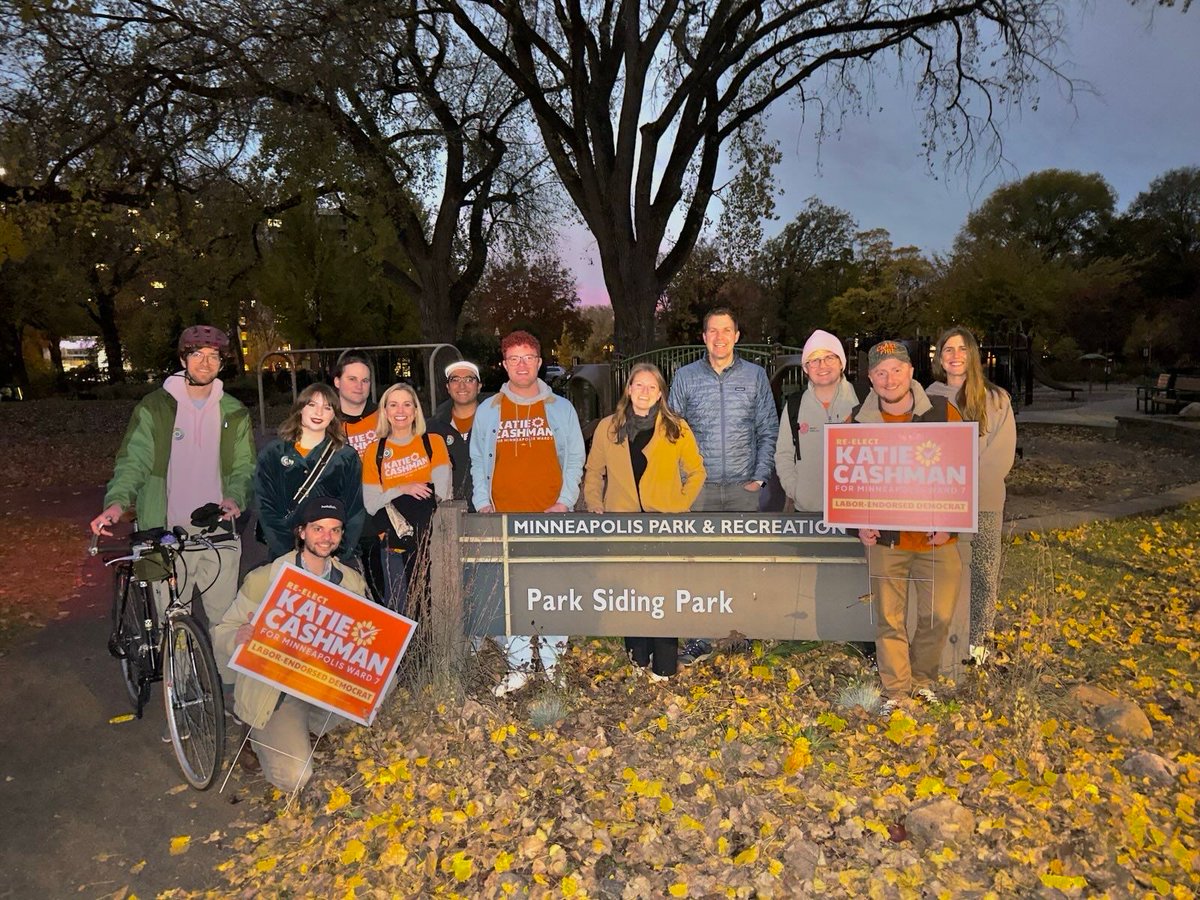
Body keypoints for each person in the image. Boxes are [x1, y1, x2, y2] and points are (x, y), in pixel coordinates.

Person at [90, 325, 254, 668]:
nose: (205, 363)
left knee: (224, 620)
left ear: (222, 363)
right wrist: (116, 504)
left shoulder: (234, 411)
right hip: (164, 531)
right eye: (197, 354)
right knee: (171, 623)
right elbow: (133, 461)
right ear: (183, 358)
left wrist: (236, 497)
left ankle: (228, 693)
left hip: (218, 531)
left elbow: (243, 468)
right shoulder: (155, 408)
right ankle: (178, 694)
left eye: (213, 356)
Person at [213, 497, 368, 792]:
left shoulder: (350, 581)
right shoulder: (265, 579)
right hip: (278, 693)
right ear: (301, 532)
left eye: (335, 530)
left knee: (386, 682)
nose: (327, 538)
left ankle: (312, 727)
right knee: (296, 777)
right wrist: (238, 637)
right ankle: (258, 733)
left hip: (324, 683)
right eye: (318, 529)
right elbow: (222, 630)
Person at [851, 340, 964, 715]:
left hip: (936, 539)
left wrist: (952, 525)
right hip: (888, 541)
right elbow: (848, 481)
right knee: (889, 619)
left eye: (897, 370)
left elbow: (964, 470)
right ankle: (897, 692)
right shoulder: (857, 420)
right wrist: (858, 527)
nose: (889, 379)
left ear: (911, 372)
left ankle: (923, 681)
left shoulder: (943, 413)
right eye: (881, 372)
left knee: (936, 616)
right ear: (870, 379)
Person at [470, 330, 585, 696]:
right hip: (504, 515)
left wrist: (565, 501)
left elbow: (575, 459)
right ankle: (518, 665)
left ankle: (551, 664)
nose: (522, 365)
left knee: (553, 589)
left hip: (550, 514)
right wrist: (482, 502)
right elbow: (476, 460)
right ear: (504, 364)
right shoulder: (488, 411)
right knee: (510, 592)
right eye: (514, 358)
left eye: (528, 358)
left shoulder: (560, 409)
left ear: (539, 363)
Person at [666, 307, 776, 663]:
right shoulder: (685, 377)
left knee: (740, 562)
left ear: (737, 335)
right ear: (703, 336)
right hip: (700, 490)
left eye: (726, 330)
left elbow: (767, 429)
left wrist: (759, 476)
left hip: (743, 488)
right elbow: (673, 432)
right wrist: (684, 481)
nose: (719, 337)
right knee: (698, 563)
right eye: (712, 330)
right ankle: (700, 636)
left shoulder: (756, 376)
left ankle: (737, 631)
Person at [584, 363, 705, 680]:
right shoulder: (608, 428)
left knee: (664, 592)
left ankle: (664, 667)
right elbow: (594, 471)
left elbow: (696, 472)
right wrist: (595, 504)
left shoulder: (676, 427)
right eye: (639, 385)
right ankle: (638, 662)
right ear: (628, 389)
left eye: (652, 387)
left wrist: (679, 504)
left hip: (665, 525)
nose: (644, 392)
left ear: (661, 392)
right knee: (630, 592)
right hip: (622, 525)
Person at [926, 327, 1017, 659]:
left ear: (973, 355)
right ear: (939, 357)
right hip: (939, 504)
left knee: (982, 570)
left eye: (962, 349)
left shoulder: (995, 399)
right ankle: (943, 634)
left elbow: (999, 456)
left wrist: (965, 491)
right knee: (942, 570)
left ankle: (979, 639)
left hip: (983, 501)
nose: (954, 356)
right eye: (947, 349)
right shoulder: (927, 397)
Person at [361, 383, 451, 617]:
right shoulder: (375, 450)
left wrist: (399, 494)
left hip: (430, 541)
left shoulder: (433, 443)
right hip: (394, 544)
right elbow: (371, 504)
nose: (400, 411)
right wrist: (402, 488)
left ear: (415, 410)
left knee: (431, 606)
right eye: (393, 405)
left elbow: (442, 494)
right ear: (385, 411)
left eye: (406, 404)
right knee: (400, 609)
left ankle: (432, 653)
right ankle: (406, 654)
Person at [253, 383, 365, 563]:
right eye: (312, 405)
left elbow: (354, 510)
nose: (319, 413)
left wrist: (340, 553)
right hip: (285, 553)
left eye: (327, 407)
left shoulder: (346, 457)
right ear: (300, 409)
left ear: (334, 415)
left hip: (330, 554)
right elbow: (266, 508)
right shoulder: (273, 453)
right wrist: (287, 553)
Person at [774, 329, 860, 513]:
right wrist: (796, 491)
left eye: (829, 357)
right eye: (814, 360)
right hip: (807, 511)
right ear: (806, 368)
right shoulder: (794, 405)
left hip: (854, 512)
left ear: (841, 363)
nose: (822, 365)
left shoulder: (862, 401)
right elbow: (784, 454)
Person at [427, 359, 487, 511]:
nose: (462, 385)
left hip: (489, 510)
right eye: (455, 380)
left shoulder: (495, 423)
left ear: (479, 386)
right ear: (448, 387)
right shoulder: (432, 428)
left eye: (469, 379)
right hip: (447, 514)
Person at [333, 355, 377, 458]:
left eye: (365, 380)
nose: (359, 386)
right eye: (352, 379)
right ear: (337, 382)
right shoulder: (325, 422)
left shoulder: (385, 417)